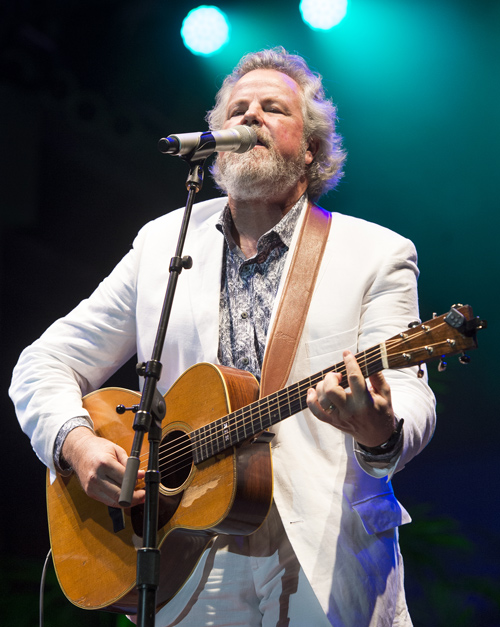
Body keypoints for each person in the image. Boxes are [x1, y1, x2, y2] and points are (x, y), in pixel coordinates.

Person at [10, 47, 436, 626]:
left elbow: (410, 395)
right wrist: (77, 444)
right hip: (185, 553)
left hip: (325, 547)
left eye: (272, 108)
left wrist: (379, 430)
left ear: (310, 149)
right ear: (213, 141)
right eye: (238, 108)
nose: (251, 117)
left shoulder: (377, 253)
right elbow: (45, 361)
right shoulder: (163, 244)